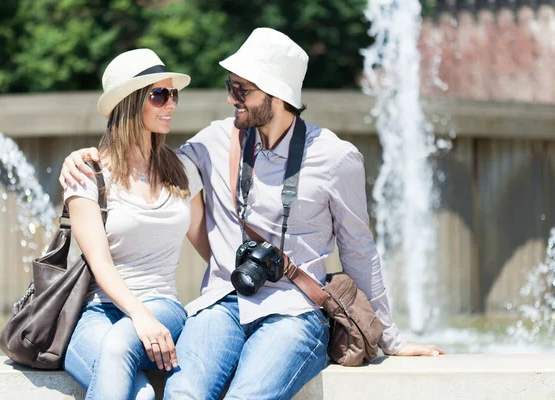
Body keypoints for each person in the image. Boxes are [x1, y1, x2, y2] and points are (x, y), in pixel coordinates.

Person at [59, 28, 444, 400]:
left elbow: (360, 250)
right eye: (231, 87)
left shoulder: (335, 158)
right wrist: (86, 159)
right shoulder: (214, 142)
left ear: (276, 94)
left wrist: (390, 338)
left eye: (241, 90)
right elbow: (143, 166)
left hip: (294, 313)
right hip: (222, 304)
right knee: (184, 393)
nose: (231, 99)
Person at [61, 48, 208, 400]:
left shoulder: (184, 170)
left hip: (162, 307)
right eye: (159, 95)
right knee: (140, 395)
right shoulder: (87, 174)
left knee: (117, 347)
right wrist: (138, 316)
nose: (170, 103)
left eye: (173, 94)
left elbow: (212, 247)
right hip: (98, 313)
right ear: (129, 103)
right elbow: (99, 263)